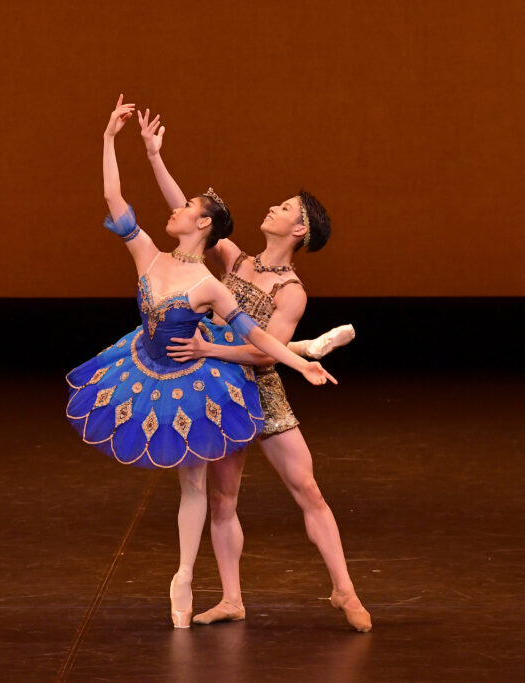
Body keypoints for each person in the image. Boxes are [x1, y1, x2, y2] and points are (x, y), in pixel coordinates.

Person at [66, 95, 338, 629]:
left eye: (286, 208)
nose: (178, 208)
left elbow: (255, 337)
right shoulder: (182, 255)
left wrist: (295, 362)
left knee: (253, 486)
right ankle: (210, 587)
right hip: (169, 368)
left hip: (219, 374)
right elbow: (133, 201)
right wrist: (124, 144)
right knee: (207, 492)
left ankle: (200, 578)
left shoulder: (241, 284)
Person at [136, 108, 372, 632]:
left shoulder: (291, 291)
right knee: (223, 499)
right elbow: (190, 214)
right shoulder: (235, 259)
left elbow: (265, 355)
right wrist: (154, 157)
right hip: (220, 392)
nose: (272, 207)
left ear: (299, 229)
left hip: (260, 389)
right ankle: (232, 598)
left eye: (284, 208)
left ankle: (344, 589)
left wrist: (209, 349)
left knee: (307, 488)